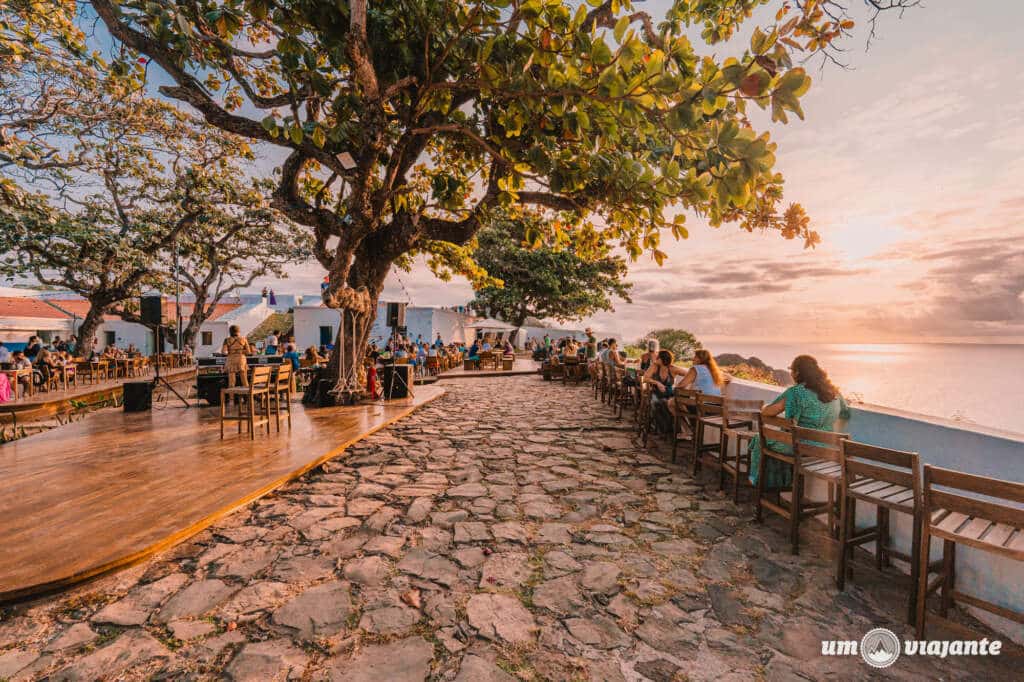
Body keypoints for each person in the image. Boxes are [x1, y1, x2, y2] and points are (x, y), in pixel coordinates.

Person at [748, 355, 851, 489]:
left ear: (797, 372)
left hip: (801, 448)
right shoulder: (834, 391)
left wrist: (767, 407)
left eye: (792, 370)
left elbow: (769, 412)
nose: (791, 373)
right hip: (826, 448)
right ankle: (778, 482)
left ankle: (761, 482)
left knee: (759, 439)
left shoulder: (795, 392)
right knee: (777, 440)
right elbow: (845, 413)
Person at [643, 349, 688, 432]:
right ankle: (663, 429)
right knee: (656, 403)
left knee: (673, 404)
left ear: (662, 359)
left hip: (669, 393)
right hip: (655, 392)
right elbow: (645, 378)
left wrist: (682, 385)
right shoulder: (654, 366)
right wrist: (657, 383)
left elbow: (688, 374)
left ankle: (673, 429)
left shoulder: (673, 369)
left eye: (658, 357)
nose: (656, 358)